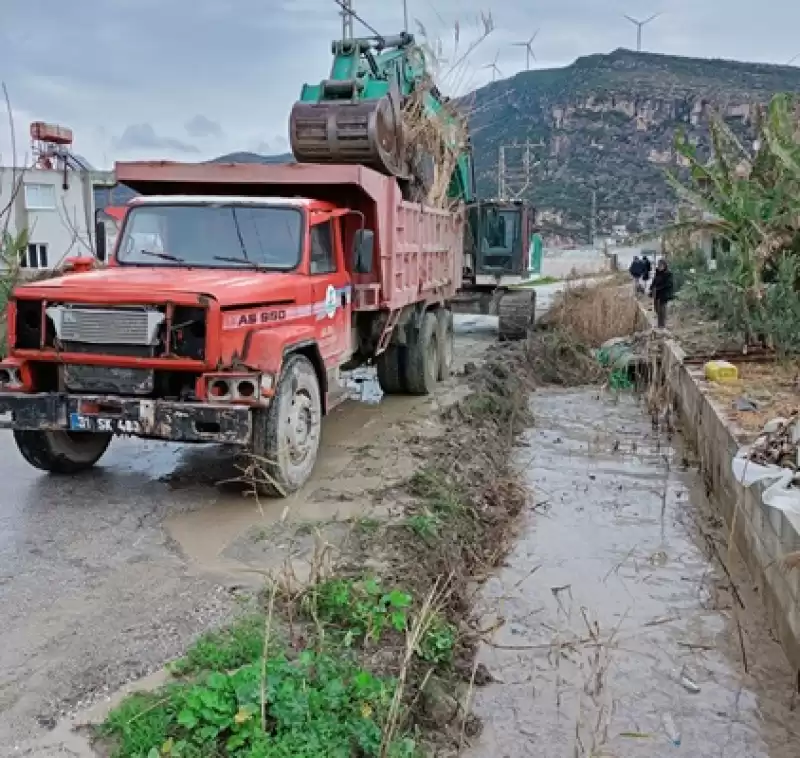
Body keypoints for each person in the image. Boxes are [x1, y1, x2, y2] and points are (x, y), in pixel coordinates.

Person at [649, 258, 674, 329]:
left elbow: (669, 284)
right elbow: (654, 281)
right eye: (659, 265)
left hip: (664, 294)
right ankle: (659, 323)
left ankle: (662, 325)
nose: (659, 266)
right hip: (656, 294)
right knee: (656, 309)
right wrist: (651, 288)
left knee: (662, 309)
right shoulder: (657, 273)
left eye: (661, 265)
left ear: (664, 266)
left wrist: (659, 288)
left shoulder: (668, 274)